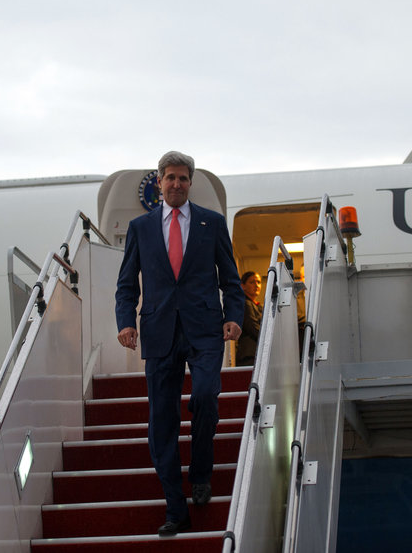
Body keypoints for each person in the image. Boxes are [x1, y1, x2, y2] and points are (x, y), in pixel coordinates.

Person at [115, 150, 244, 537]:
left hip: (205, 328)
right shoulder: (141, 228)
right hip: (159, 332)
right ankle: (176, 508)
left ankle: (201, 472)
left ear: (191, 182)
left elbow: (230, 281)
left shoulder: (212, 223)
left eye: (182, 178)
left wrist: (234, 316)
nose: (176, 184)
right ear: (159, 181)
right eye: (169, 177)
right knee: (162, 422)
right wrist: (125, 323)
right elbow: (126, 286)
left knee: (205, 397)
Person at [235, 271, 262, 367]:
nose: (256, 285)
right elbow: (253, 327)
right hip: (249, 355)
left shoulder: (258, 306)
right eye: (252, 282)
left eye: (258, 282)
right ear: (243, 286)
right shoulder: (245, 304)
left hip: (256, 354)